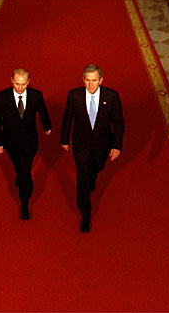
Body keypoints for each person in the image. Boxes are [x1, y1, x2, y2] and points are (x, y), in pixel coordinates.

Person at [60, 64, 124, 232]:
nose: (91, 84)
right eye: (87, 80)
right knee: (82, 181)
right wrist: (64, 139)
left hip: (102, 146)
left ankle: (94, 175)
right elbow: (68, 118)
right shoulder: (74, 96)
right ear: (83, 80)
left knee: (96, 169)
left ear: (101, 80)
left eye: (94, 80)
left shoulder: (111, 97)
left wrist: (117, 146)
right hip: (81, 146)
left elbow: (118, 122)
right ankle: (85, 214)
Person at [0, 68, 52, 220]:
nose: (19, 88)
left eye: (23, 84)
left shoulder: (36, 96)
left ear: (28, 82)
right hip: (9, 142)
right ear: (11, 80)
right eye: (17, 84)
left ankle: (24, 204)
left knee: (25, 172)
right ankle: (19, 172)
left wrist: (47, 126)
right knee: (18, 166)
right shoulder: (1, 98)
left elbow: (42, 112)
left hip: (30, 142)